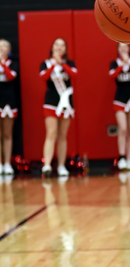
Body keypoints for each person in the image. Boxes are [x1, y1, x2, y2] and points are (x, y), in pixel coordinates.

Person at [40, 37, 77, 178]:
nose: (59, 47)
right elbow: (44, 77)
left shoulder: (69, 63)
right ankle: (47, 165)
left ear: (65, 49)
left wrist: (61, 63)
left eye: (62, 45)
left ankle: (61, 165)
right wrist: (53, 64)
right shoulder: (45, 64)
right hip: (51, 101)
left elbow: (74, 74)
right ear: (52, 47)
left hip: (66, 102)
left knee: (62, 135)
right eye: (56, 45)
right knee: (51, 133)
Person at [110, 42, 130, 171]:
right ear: (117, 49)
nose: (123, 48)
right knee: (122, 128)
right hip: (119, 98)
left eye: (125, 46)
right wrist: (121, 64)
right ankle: (122, 157)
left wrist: (129, 63)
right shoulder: (114, 63)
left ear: (129, 48)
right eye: (120, 46)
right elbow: (112, 75)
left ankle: (129, 159)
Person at [0, 39, 18, 176]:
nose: (1, 48)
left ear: (9, 50)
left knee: (7, 134)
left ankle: (7, 163)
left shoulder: (13, 64)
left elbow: (11, 76)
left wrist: (2, 62)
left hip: (9, 102)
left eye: (4, 46)